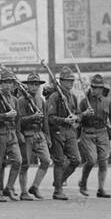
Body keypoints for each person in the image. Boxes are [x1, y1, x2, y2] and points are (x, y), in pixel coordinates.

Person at [77, 74, 111, 198]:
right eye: (93, 87)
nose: (95, 89)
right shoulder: (84, 101)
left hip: (102, 132)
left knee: (103, 161)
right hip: (88, 132)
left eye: (98, 87)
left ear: (102, 89)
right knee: (91, 159)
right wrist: (84, 114)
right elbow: (77, 118)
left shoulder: (108, 102)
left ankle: (101, 189)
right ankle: (83, 183)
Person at [45, 68, 83, 200]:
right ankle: (58, 191)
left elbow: (78, 114)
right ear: (61, 81)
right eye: (68, 80)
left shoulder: (72, 97)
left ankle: (59, 181)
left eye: (72, 80)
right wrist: (64, 120)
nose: (71, 83)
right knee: (59, 161)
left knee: (76, 160)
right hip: (58, 131)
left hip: (70, 131)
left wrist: (76, 117)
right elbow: (50, 118)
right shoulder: (54, 97)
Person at [0, 70, 22, 201]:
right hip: (0, 133)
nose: (8, 86)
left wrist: (18, 134)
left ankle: (8, 187)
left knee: (18, 161)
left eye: (10, 83)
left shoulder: (15, 100)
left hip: (12, 134)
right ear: (0, 84)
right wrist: (5, 116)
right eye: (5, 83)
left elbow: (18, 118)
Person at [17, 72, 51, 199]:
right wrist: (32, 117)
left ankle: (35, 186)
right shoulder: (21, 101)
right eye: (31, 84)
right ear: (27, 85)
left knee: (46, 160)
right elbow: (19, 120)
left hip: (39, 134)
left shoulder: (41, 100)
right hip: (27, 134)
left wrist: (47, 136)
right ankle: (23, 192)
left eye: (36, 84)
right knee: (25, 164)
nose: (34, 87)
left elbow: (45, 119)